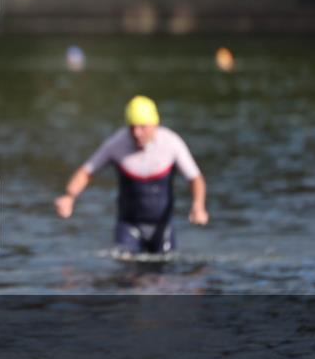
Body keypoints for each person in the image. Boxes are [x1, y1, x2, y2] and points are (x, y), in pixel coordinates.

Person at [55, 96, 208, 254]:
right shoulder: (116, 144)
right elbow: (87, 171)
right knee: (128, 273)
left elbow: (195, 179)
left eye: (143, 127)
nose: (136, 133)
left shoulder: (171, 143)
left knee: (164, 273)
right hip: (128, 225)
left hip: (162, 227)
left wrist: (198, 205)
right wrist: (69, 196)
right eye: (132, 127)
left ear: (155, 124)